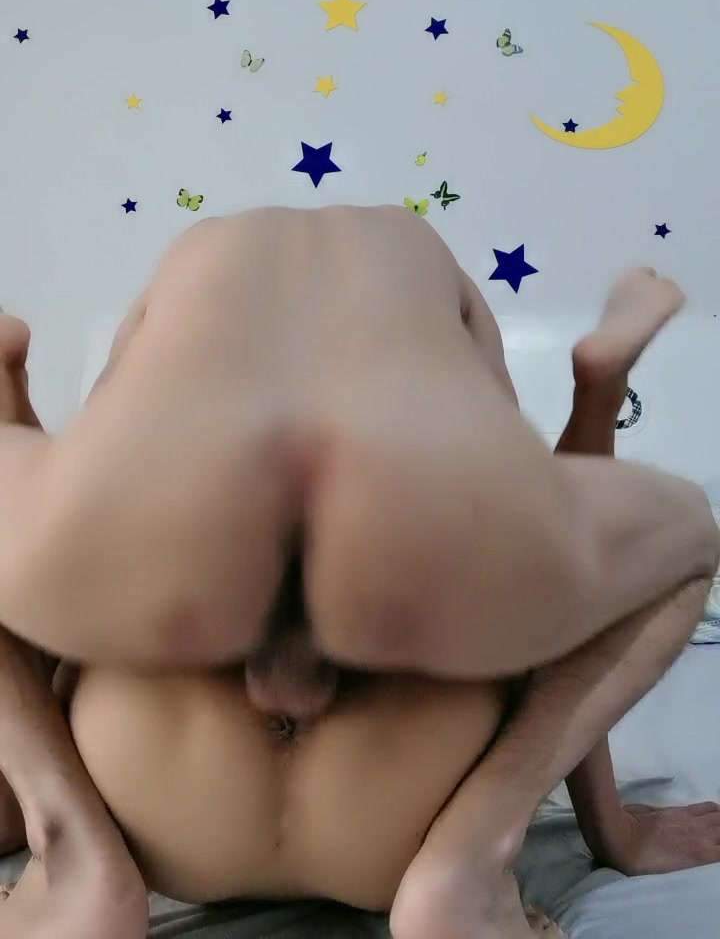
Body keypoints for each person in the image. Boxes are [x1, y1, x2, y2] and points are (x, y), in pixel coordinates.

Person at [0, 206, 718, 939]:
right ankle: (472, 860)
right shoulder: (435, 272)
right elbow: (559, 575)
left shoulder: (188, 266)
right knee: (682, 542)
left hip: (158, 801)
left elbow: (56, 560)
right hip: (403, 813)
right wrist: (614, 830)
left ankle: (70, 847)